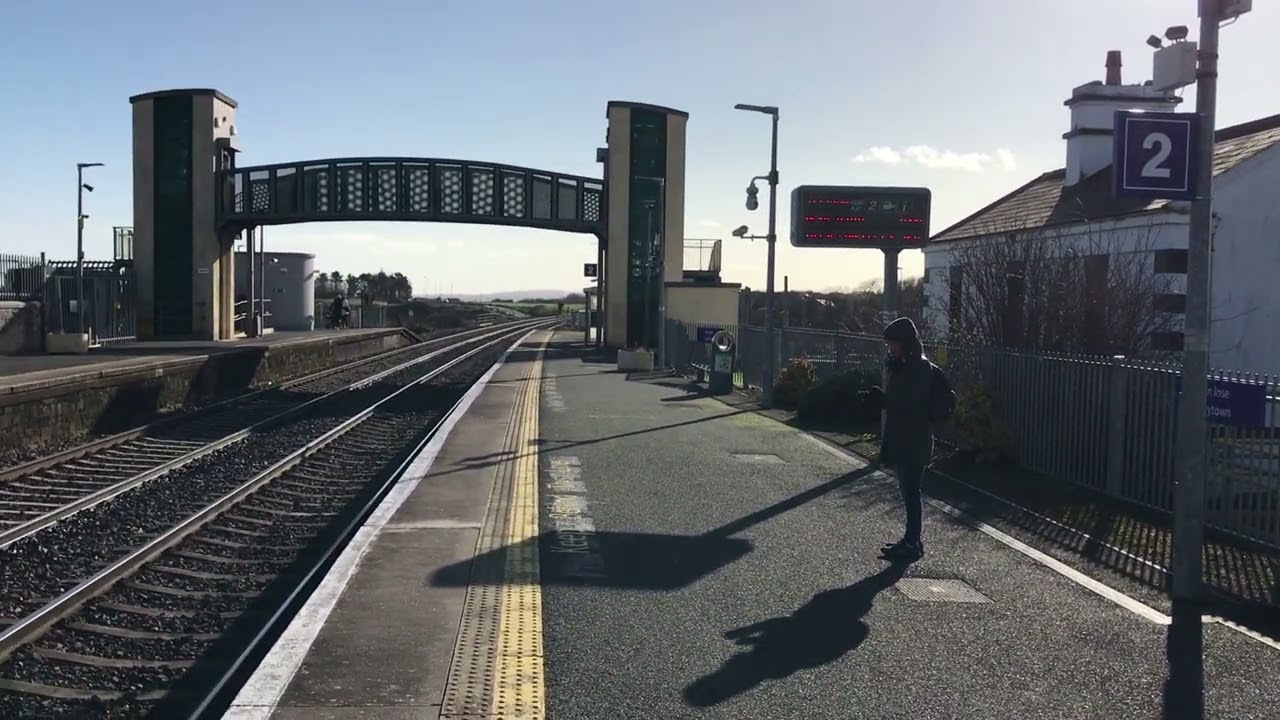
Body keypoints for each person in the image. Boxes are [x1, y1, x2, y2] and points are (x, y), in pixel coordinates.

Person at [858, 317, 945, 562]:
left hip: (915, 439)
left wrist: (885, 400)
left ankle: (912, 542)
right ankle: (911, 539)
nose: (890, 348)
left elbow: (912, 403)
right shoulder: (904, 366)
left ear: (904, 342)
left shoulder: (919, 368)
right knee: (908, 489)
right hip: (906, 437)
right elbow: (901, 400)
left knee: (911, 490)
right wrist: (881, 399)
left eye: (892, 343)